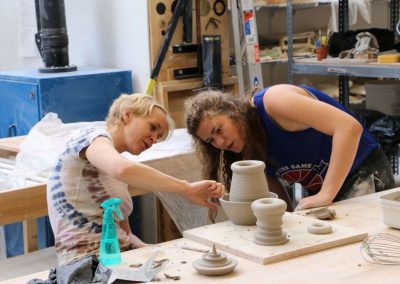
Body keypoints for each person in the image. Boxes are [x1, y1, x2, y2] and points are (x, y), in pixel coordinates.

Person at [47, 93, 225, 265]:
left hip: (116, 255)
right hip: (85, 262)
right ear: (127, 115)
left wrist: (152, 251)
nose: (154, 139)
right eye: (153, 127)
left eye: (159, 136)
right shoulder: (90, 137)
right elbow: (123, 169)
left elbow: (126, 234)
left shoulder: (114, 171)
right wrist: (187, 189)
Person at [184, 84, 395, 213]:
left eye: (219, 130)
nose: (219, 142)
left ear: (232, 110)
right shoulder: (246, 147)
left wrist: (326, 194)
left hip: (363, 172)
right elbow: (280, 205)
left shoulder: (274, 102)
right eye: (211, 141)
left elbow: (349, 127)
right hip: (325, 189)